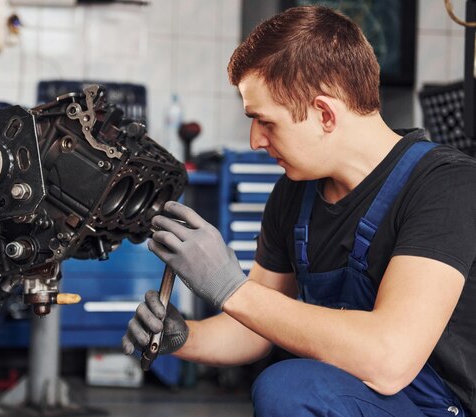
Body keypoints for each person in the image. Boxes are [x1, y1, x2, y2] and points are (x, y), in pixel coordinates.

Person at [123, 5, 476, 417]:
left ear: (325, 114)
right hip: (359, 396)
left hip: (439, 408)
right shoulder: (294, 193)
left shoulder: (446, 185)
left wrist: (230, 287)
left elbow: (389, 358)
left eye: (265, 122)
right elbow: (253, 328)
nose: (255, 140)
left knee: (290, 387)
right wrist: (183, 337)